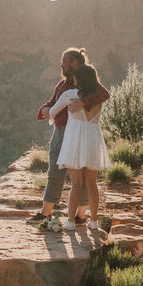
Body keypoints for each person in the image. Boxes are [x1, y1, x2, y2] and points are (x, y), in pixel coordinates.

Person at [30, 48, 110, 223]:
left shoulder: (87, 82)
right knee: (57, 172)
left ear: (74, 63)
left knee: (79, 176)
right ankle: (47, 211)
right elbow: (52, 104)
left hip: (76, 132)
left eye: (64, 61)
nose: (61, 65)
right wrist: (44, 110)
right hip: (62, 131)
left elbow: (104, 94)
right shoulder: (63, 85)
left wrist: (83, 102)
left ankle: (79, 215)